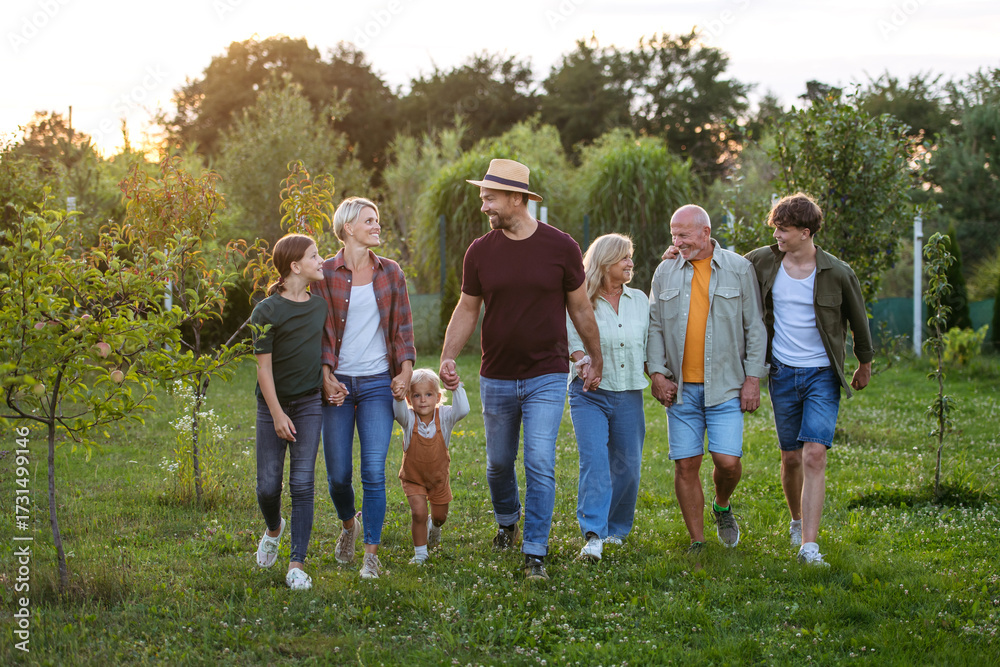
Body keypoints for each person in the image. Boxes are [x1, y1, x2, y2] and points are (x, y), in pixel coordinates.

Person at [439, 158, 604, 581]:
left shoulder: (561, 247)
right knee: (497, 464)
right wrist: (448, 356)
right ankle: (507, 520)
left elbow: (581, 307)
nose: (484, 207)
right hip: (495, 374)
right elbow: (467, 307)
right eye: (482, 199)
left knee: (538, 460)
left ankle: (535, 551)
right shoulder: (480, 251)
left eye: (489, 199)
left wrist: (594, 355)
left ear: (517, 198)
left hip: (546, 374)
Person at [744, 193, 873, 567]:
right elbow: (724, 266)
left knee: (814, 454)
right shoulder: (763, 260)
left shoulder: (837, 271)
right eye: (775, 228)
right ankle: (797, 522)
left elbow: (859, 319)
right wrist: (686, 250)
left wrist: (864, 363)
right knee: (790, 458)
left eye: (783, 230)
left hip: (821, 374)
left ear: (805, 231)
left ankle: (810, 547)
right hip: (782, 373)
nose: (777, 235)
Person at [647, 205, 767, 554]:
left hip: (727, 386)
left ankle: (722, 505)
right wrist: (656, 373)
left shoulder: (738, 268)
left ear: (705, 232)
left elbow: (754, 327)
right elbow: (654, 325)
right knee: (686, 464)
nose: (677, 241)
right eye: (674, 234)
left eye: (683, 234)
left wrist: (753, 378)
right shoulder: (665, 271)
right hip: (680, 390)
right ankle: (697, 541)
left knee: (727, 462)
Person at [313, 196, 416, 580]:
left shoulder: (390, 272)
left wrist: (405, 371)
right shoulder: (323, 273)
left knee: (373, 471)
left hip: (376, 383)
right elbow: (319, 332)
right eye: (369, 221)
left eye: (377, 219)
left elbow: (403, 328)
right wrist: (325, 376)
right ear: (348, 228)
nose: (376, 226)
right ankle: (347, 525)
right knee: (338, 475)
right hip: (337, 383)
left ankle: (371, 554)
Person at [251, 233, 328, 590]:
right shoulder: (265, 311)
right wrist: (278, 414)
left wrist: (328, 380)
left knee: (302, 484)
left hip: (310, 403)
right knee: (268, 486)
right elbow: (263, 370)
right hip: (272, 407)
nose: (321, 260)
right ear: (295, 266)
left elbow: (325, 351)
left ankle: (297, 563)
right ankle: (273, 528)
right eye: (315, 256)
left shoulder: (319, 305)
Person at [567, 233, 649, 562]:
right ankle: (593, 534)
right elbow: (572, 339)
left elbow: (650, 343)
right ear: (604, 263)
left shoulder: (640, 300)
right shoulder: (579, 300)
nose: (631, 263)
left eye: (631, 257)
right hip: (590, 393)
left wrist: (658, 375)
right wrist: (581, 362)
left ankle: (616, 530)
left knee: (629, 467)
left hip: (629, 391)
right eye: (623, 258)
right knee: (596, 463)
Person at [393, 368, 470, 564]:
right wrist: (399, 395)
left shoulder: (444, 416)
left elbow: (463, 410)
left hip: (438, 479)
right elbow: (398, 412)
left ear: (437, 397)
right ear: (410, 399)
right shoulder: (408, 419)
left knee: (439, 517)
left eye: (428, 395)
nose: (422, 400)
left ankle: (434, 527)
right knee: (418, 513)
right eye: (416, 395)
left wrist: (455, 387)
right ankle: (420, 554)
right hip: (413, 478)